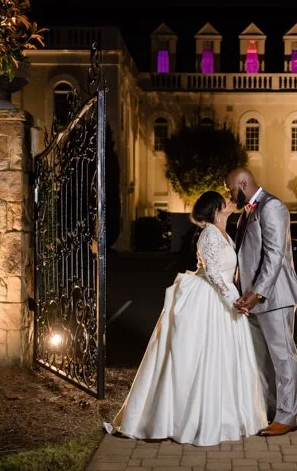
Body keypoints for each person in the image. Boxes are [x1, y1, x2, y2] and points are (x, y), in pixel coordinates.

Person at [104, 191, 267, 446]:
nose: (229, 202)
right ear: (215, 209)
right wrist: (232, 301)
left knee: (225, 357)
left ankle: (227, 415)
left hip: (224, 296)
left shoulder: (224, 233)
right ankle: (190, 419)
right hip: (210, 298)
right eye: (224, 201)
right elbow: (212, 273)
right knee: (203, 356)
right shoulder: (209, 233)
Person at [225, 168, 297, 437]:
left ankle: (287, 416)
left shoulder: (272, 206)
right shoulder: (247, 213)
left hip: (275, 296)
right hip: (252, 299)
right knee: (262, 361)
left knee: (283, 358)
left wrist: (257, 293)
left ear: (242, 183)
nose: (229, 194)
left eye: (230, 189)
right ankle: (270, 412)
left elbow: (274, 255)